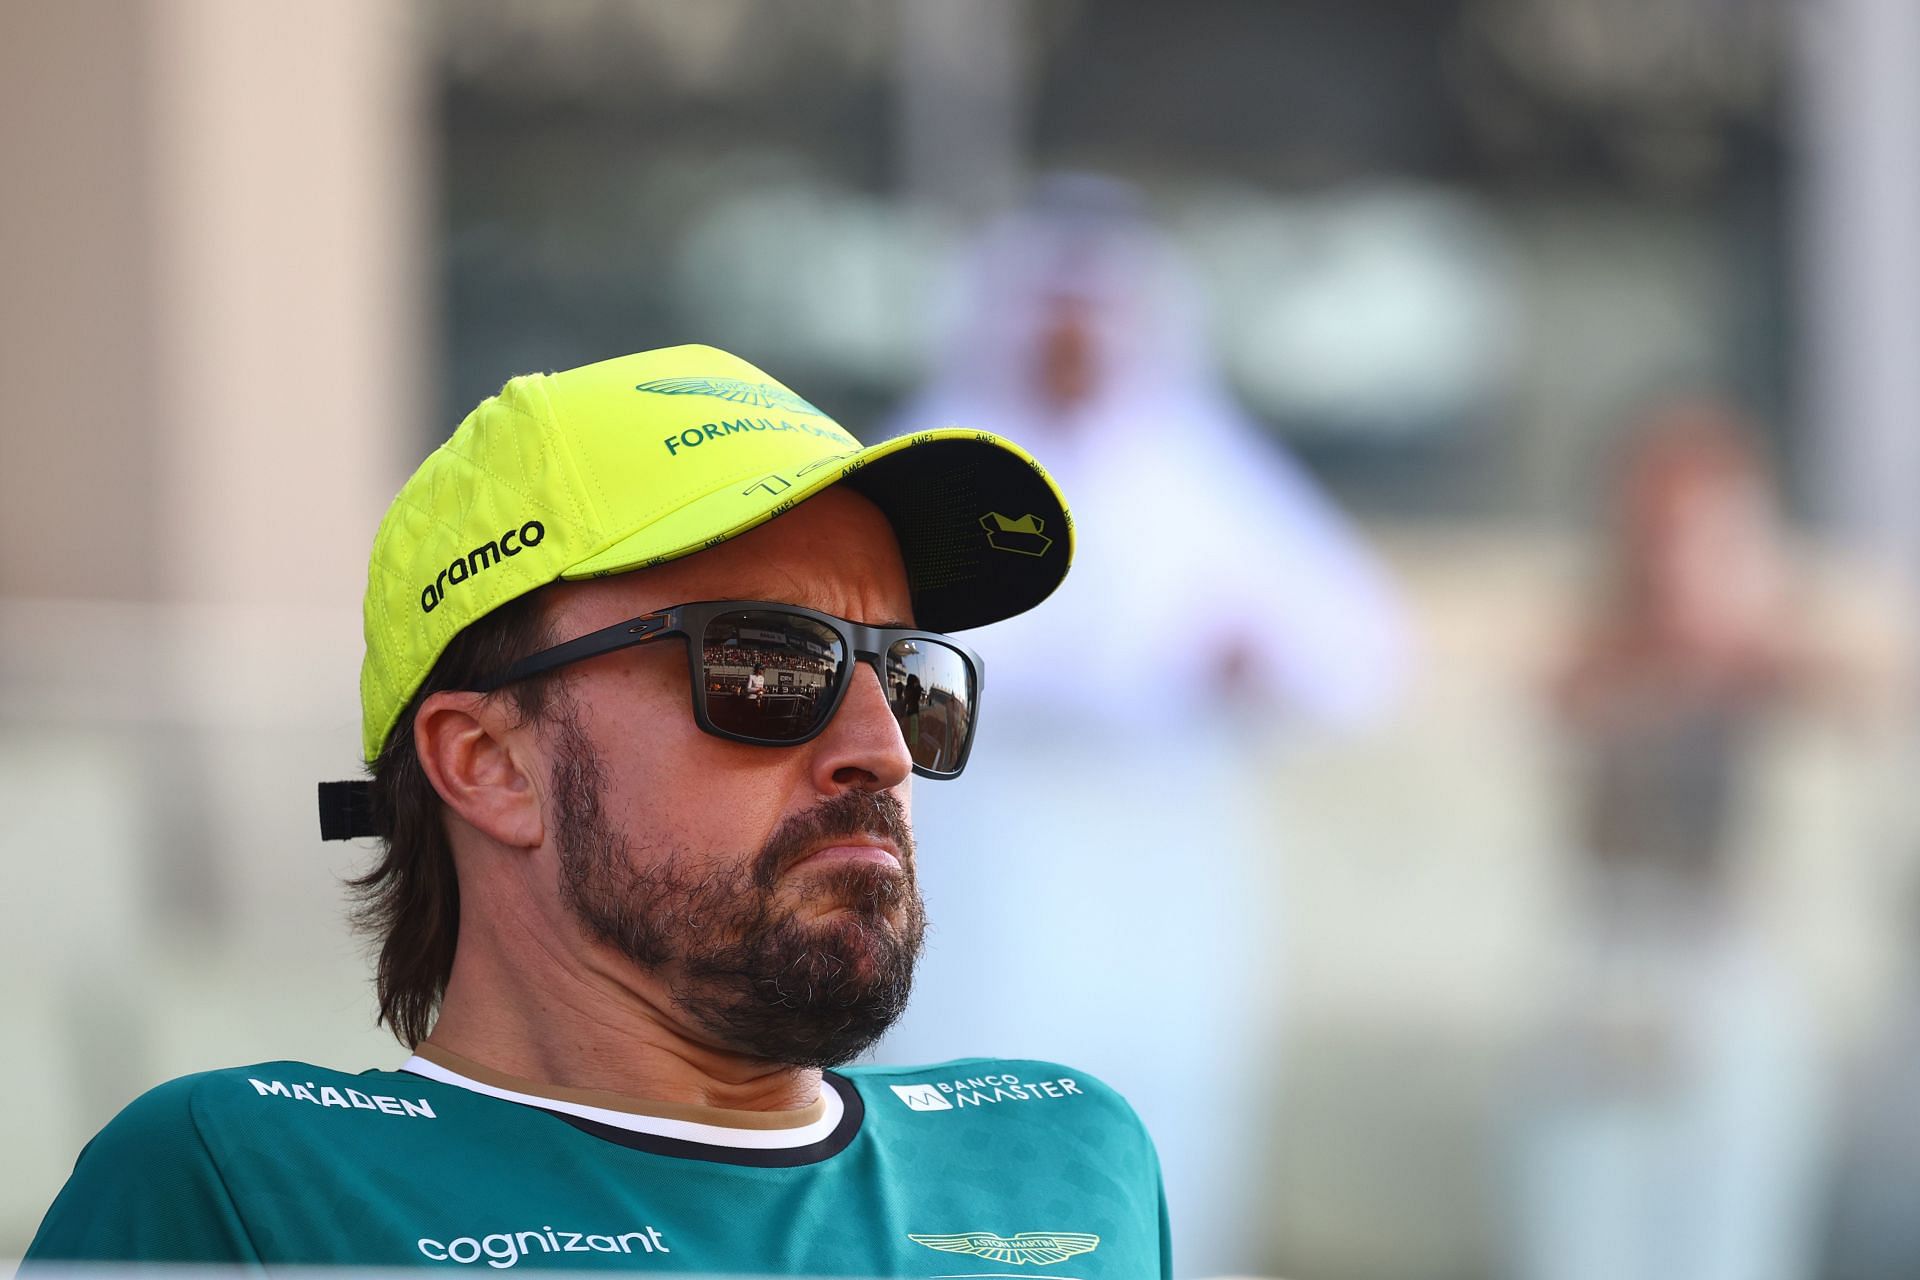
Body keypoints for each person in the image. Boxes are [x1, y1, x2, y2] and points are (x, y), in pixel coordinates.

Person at [25, 345, 1171, 1276]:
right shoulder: (242, 1182)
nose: (880, 751)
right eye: (768, 665)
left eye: (907, 677)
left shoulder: (1068, 1154)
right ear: (487, 763)